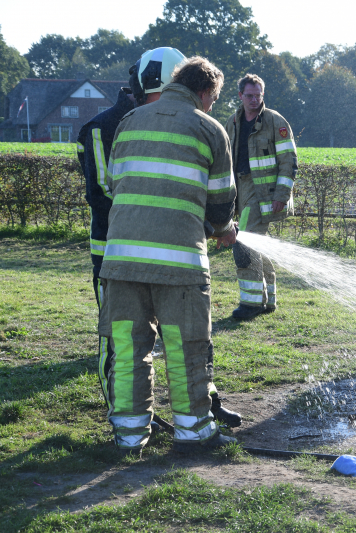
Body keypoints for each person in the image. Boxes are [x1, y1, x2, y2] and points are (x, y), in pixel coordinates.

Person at [79, 48, 241, 431]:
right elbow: (221, 205)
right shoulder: (208, 129)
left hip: (119, 264)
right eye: (214, 100)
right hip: (179, 265)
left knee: (128, 351)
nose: (213, 107)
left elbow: (118, 185)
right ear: (204, 91)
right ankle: (193, 430)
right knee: (186, 349)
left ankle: (130, 436)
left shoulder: (129, 121)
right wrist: (223, 230)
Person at [225, 74, 297, 320]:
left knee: (244, 244)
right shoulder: (231, 122)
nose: (254, 100)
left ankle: (252, 303)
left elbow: (289, 162)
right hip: (241, 188)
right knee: (257, 243)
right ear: (240, 96)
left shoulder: (275, 121)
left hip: (263, 193)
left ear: (262, 95)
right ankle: (269, 300)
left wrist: (282, 194)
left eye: (258, 95)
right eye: (249, 95)